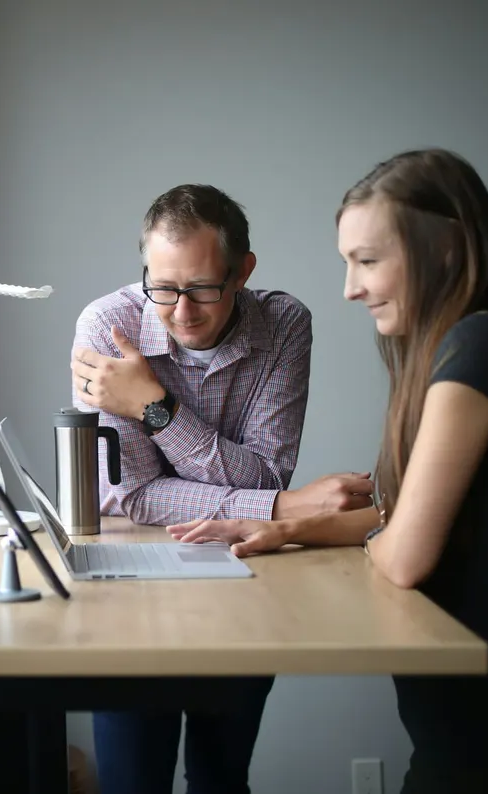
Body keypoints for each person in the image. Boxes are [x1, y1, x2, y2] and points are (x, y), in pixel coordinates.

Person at [168, 149, 488, 793]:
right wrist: (291, 529)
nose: (351, 287)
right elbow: (405, 521)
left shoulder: (483, 348)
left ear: (446, 247)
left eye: (368, 260)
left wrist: (342, 526)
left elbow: (404, 556)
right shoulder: (484, 343)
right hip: (466, 728)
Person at [69, 184, 374, 794]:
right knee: (131, 784)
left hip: (247, 581)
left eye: (203, 288)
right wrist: (281, 508)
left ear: (242, 273)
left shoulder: (284, 325)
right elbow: (127, 498)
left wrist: (156, 408)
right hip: (131, 593)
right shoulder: (107, 326)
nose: (181, 310)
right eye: (163, 287)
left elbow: (267, 472)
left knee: (221, 779)